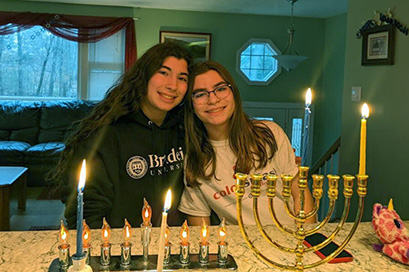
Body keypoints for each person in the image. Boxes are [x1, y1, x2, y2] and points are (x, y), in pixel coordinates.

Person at [53, 42, 193, 229]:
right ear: (144, 75)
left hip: (170, 245)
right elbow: (85, 208)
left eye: (182, 78)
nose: (172, 85)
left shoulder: (185, 129)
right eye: (163, 72)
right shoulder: (107, 133)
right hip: (119, 247)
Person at [178, 60, 315, 226]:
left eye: (220, 89)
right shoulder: (194, 161)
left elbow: (299, 191)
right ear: (190, 105)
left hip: (290, 240)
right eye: (200, 94)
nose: (213, 99)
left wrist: (306, 240)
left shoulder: (269, 133)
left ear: (233, 93)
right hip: (240, 248)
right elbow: (201, 230)